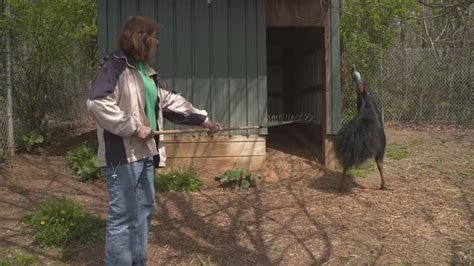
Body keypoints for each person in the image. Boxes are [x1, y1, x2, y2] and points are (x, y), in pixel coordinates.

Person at [87, 16, 221, 265]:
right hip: (121, 160)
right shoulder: (114, 67)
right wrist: (135, 127)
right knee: (123, 217)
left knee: (143, 212)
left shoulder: (145, 72)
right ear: (141, 38)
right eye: (154, 37)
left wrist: (203, 120)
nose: (157, 42)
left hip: (146, 155)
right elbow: (97, 103)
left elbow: (170, 102)